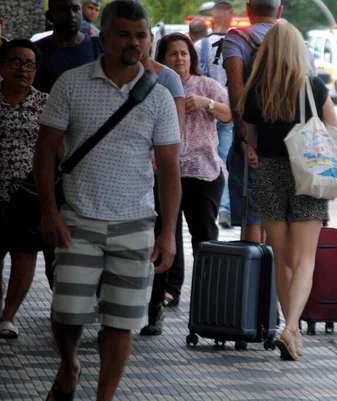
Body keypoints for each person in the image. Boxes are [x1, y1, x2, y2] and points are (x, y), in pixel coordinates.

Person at [34, 2, 181, 400]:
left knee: (121, 321)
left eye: (141, 35)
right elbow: (45, 149)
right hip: (78, 219)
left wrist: (167, 233)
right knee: (67, 314)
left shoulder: (160, 96)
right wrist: (50, 211)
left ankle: (105, 397)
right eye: (124, 34)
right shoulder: (71, 83)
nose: (134, 42)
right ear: (103, 37)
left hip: (136, 224)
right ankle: (70, 366)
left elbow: (169, 168)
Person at [238, 22, 337, 360]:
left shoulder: (255, 90)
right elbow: (334, 131)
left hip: (269, 173)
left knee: (282, 258)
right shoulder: (313, 87)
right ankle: (291, 327)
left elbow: (250, 138)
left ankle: (290, 330)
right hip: (308, 174)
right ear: (299, 50)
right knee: (305, 258)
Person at [156, 32, 231, 311]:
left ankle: (208, 291)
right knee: (167, 233)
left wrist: (204, 103)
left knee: (204, 235)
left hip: (204, 171)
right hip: (166, 171)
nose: (179, 59)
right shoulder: (156, 87)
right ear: (162, 59)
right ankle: (168, 291)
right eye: (173, 54)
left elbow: (230, 113)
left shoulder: (206, 85)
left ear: (192, 58)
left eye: (184, 53)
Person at [33, 0, 104, 292]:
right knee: (56, 224)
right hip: (50, 153)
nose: (72, 15)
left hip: (94, 153)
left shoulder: (97, 50)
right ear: (50, 16)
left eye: (76, 8)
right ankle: (60, 289)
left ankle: (95, 291)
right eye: (64, 9)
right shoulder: (40, 53)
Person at [222, 0, 284, 243]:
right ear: (279, 11)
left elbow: (237, 92)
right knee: (280, 218)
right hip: (289, 146)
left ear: (248, 10)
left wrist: (246, 141)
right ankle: (273, 279)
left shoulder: (236, 39)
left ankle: (252, 277)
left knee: (253, 217)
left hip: (255, 141)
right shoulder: (297, 43)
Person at [138, 29, 186, 335]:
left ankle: (155, 307)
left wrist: (157, 160)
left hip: (156, 173)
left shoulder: (168, 79)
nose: (133, 42)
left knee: (159, 238)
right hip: (121, 175)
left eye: (140, 36)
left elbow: (175, 132)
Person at [0, 40, 47, 339]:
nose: (22, 69)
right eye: (15, 62)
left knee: (24, 254)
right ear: (2, 67)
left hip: (29, 195)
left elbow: (59, 147)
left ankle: (8, 316)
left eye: (29, 64)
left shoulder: (46, 103)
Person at [195, 1, 234, 229]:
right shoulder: (238, 42)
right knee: (226, 159)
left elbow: (200, 75)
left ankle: (218, 205)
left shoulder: (203, 45)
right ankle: (226, 208)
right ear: (230, 17)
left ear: (212, 17)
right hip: (229, 109)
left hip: (209, 109)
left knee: (213, 158)